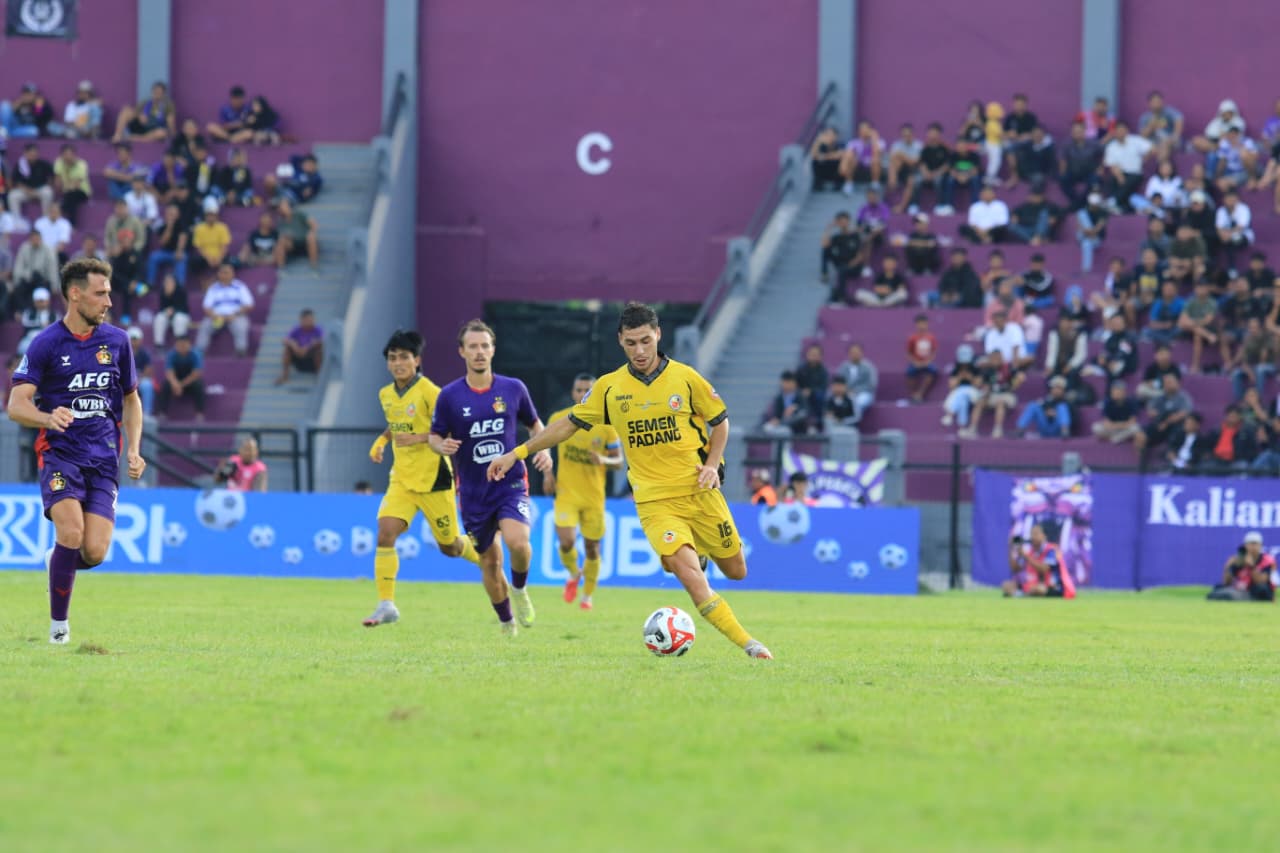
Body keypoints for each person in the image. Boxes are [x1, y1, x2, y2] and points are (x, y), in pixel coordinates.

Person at [487, 302, 773, 659]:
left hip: (699, 490)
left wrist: (712, 465)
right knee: (691, 578)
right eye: (631, 343)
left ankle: (696, 552)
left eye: (645, 341)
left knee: (735, 571)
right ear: (620, 341)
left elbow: (720, 422)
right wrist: (516, 453)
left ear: (658, 335)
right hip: (654, 501)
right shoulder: (610, 388)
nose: (639, 350)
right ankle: (750, 645)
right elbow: (566, 426)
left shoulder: (685, 378)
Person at [6, 258, 146, 644]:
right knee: (70, 532)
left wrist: (134, 449)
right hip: (60, 454)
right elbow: (16, 405)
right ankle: (59, 631)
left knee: (95, 551)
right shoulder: (46, 343)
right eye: (100, 294)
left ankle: (58, 563)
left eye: (109, 293)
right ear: (75, 294)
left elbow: (131, 400)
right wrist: (47, 418)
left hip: (103, 458)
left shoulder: (118, 341)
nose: (109, 302)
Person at [429, 320, 552, 637]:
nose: (479, 352)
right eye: (473, 346)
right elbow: (434, 436)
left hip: (510, 484)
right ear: (462, 352)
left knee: (518, 543)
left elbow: (535, 425)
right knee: (490, 562)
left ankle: (520, 589)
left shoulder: (513, 388)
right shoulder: (449, 396)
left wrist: (543, 450)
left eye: (485, 345)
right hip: (473, 492)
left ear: (493, 349)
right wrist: (440, 446)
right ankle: (507, 621)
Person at [363, 330, 484, 627]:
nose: (398, 363)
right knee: (385, 533)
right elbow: (396, 424)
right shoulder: (385, 394)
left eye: (404, 357)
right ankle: (386, 605)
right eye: (393, 358)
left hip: (433, 479)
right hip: (402, 480)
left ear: (417, 360)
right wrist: (382, 441)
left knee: (450, 547)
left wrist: (419, 438)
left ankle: (487, 558)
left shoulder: (432, 392)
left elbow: (455, 429)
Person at [542, 373, 624, 610]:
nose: (582, 394)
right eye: (579, 390)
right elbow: (544, 446)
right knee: (566, 542)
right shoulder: (559, 419)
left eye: (587, 390)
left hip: (593, 498)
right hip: (566, 494)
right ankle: (573, 573)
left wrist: (603, 460)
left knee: (592, 549)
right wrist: (547, 474)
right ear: (573, 392)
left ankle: (587, 596)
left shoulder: (607, 427)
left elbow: (618, 461)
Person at [1001, 524, 1075, 598]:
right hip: (1033, 585)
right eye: (1031, 534)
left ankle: (1020, 595)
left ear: (1044, 536)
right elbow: (1015, 568)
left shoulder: (1051, 550)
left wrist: (1025, 556)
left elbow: (1044, 569)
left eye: (1036, 534)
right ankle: (1021, 594)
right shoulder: (1030, 551)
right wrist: (1011, 549)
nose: (1033, 537)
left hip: (1053, 587)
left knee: (1039, 589)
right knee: (1007, 585)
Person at [1207, 531, 1276, 602]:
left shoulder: (1267, 560)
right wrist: (1227, 567)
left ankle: (1237, 597)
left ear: (1261, 546)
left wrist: (1251, 566)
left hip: (1258, 590)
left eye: (1255, 544)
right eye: (1250, 544)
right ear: (1245, 545)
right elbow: (1227, 582)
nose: (1253, 547)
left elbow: (1261, 581)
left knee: (1261, 588)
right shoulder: (1240, 559)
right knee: (1219, 587)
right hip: (1242, 589)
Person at [155, 335, 206, 420]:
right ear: (176, 346)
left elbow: (196, 374)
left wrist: (180, 385)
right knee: (165, 386)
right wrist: (175, 384)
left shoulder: (196, 354)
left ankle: (199, 413)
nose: (182, 348)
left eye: (184, 345)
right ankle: (162, 413)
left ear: (189, 345)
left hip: (189, 382)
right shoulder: (171, 355)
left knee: (199, 385)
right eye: (180, 345)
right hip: (176, 381)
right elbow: (169, 373)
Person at [275, 309, 324, 384]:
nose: (312, 321)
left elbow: (322, 340)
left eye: (312, 319)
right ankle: (285, 376)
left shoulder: (317, 329)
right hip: (298, 357)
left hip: (312, 359)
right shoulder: (296, 329)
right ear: (302, 320)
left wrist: (308, 347)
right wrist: (295, 346)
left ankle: (320, 377)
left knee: (318, 348)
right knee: (288, 349)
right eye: (309, 320)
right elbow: (285, 340)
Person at [905, 313, 938, 402]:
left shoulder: (931, 337)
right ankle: (913, 394)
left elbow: (934, 352)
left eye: (924, 323)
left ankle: (920, 393)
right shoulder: (912, 338)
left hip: (927, 362)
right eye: (920, 323)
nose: (922, 326)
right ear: (916, 324)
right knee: (910, 372)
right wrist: (915, 362)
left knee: (933, 371)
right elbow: (908, 352)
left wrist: (928, 361)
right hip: (916, 362)